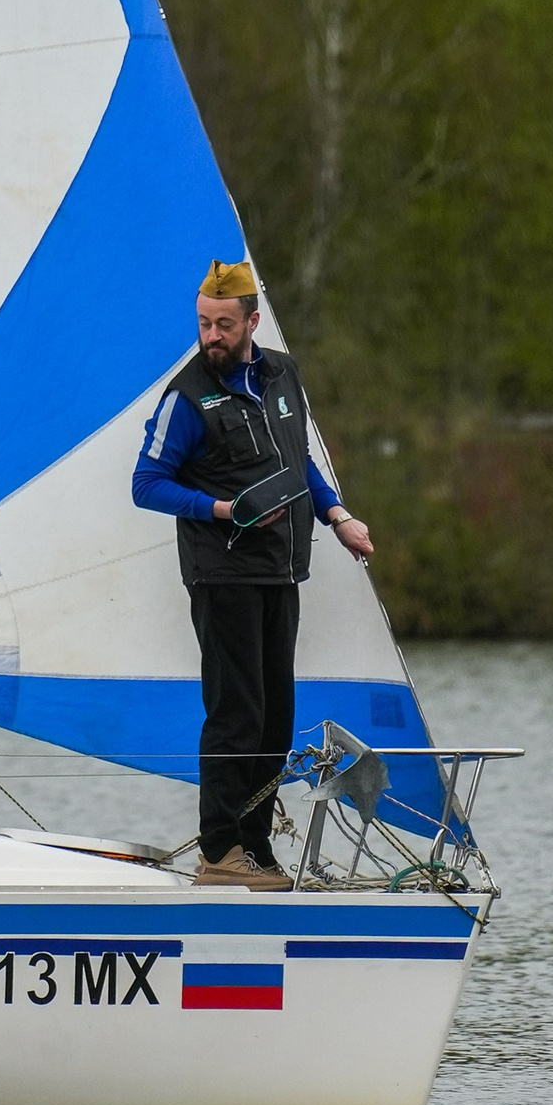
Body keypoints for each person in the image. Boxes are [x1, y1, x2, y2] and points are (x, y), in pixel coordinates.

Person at [131, 261, 376, 890]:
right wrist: (217, 508)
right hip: (222, 572)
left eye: (223, 324)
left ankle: (256, 846)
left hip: (281, 571)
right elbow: (146, 484)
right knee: (235, 711)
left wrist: (338, 515)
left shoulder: (282, 375)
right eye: (204, 324)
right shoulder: (187, 398)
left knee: (275, 714)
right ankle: (219, 849)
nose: (211, 335)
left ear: (252, 323)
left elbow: (301, 462)